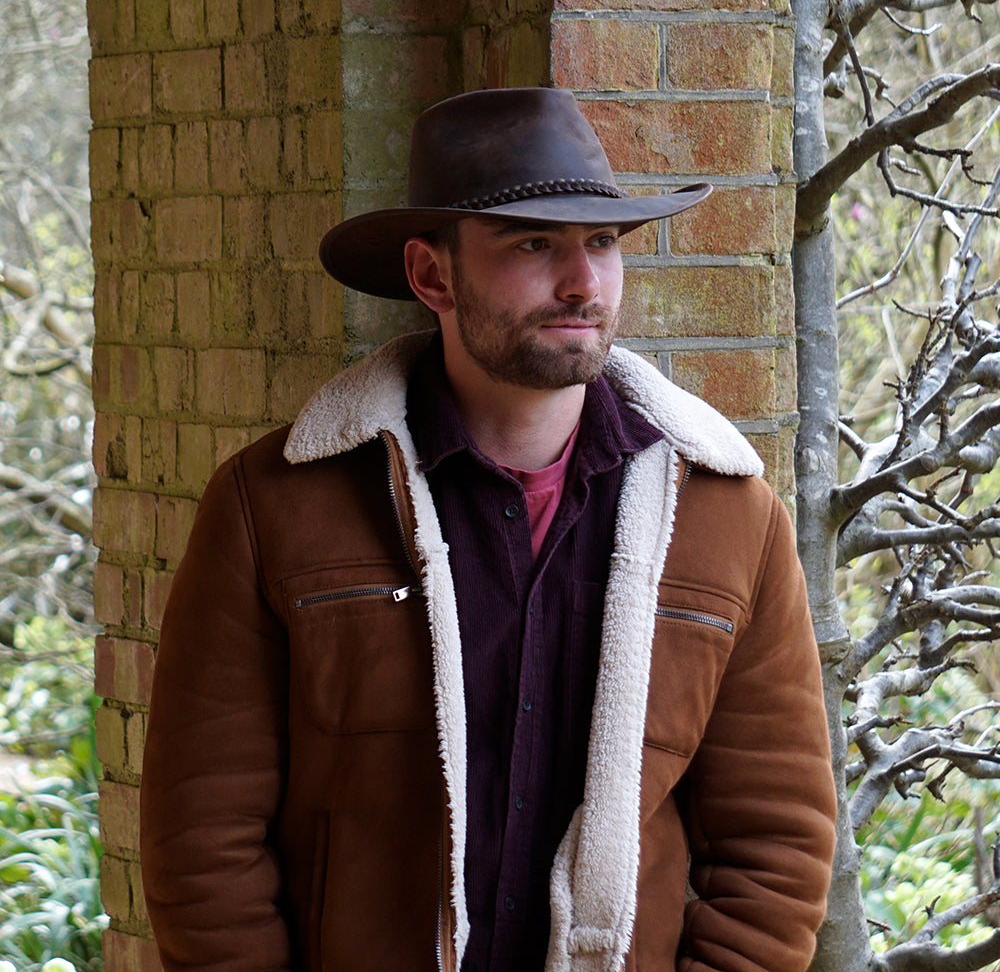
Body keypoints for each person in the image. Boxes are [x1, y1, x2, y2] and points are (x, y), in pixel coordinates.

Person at [140, 87, 836, 972]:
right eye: (534, 244)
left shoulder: (728, 516)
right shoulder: (275, 504)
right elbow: (203, 839)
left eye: (603, 244)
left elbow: (776, 846)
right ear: (433, 276)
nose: (583, 281)